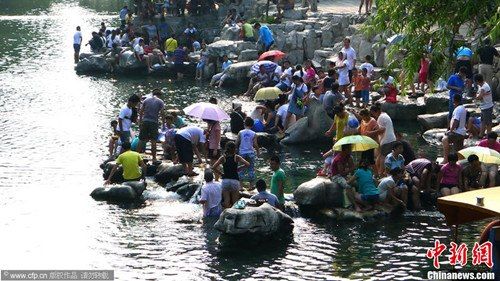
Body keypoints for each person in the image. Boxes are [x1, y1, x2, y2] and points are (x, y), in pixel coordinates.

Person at [213, 141, 250, 208]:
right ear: (234, 148)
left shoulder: (223, 157)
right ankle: (234, 214)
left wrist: (221, 174)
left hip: (225, 180)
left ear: (226, 148)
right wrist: (239, 168)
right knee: (235, 201)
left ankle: (227, 215)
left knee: (226, 200)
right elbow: (247, 164)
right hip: (235, 181)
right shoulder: (236, 157)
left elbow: (213, 167)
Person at [138, 89, 165, 161]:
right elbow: (162, 113)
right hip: (154, 122)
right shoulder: (160, 102)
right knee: (153, 141)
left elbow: (141, 112)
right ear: (159, 95)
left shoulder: (146, 100)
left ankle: (136, 156)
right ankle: (154, 158)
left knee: (141, 139)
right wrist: (163, 124)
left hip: (145, 121)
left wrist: (140, 122)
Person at [370, 103, 397, 176]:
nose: (373, 116)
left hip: (386, 140)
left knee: (383, 156)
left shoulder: (381, 117)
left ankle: (380, 173)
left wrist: (370, 132)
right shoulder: (385, 115)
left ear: (376, 111)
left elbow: (381, 130)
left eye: (373, 113)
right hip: (392, 139)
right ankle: (384, 172)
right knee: (383, 156)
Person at [442, 94, 466, 163]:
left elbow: (456, 121)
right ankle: (460, 161)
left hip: (457, 132)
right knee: (458, 149)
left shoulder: (458, 109)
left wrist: (451, 130)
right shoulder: (463, 108)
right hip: (462, 132)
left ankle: (446, 159)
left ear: (454, 100)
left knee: (444, 139)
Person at [237, 117, 260, 190]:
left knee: (241, 169)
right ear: (252, 125)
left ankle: (241, 186)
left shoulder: (240, 132)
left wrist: (236, 150)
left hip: (242, 153)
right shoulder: (254, 133)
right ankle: (251, 186)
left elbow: (237, 142)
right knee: (251, 168)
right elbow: (255, 144)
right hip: (250, 152)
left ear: (244, 124)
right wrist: (258, 151)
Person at [474, 74, 493, 138]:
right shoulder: (480, 86)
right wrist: (480, 95)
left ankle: (488, 136)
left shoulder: (484, 87)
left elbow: (478, 97)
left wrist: (480, 95)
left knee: (488, 123)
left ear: (477, 81)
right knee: (483, 121)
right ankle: (481, 135)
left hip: (487, 107)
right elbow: (477, 95)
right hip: (483, 106)